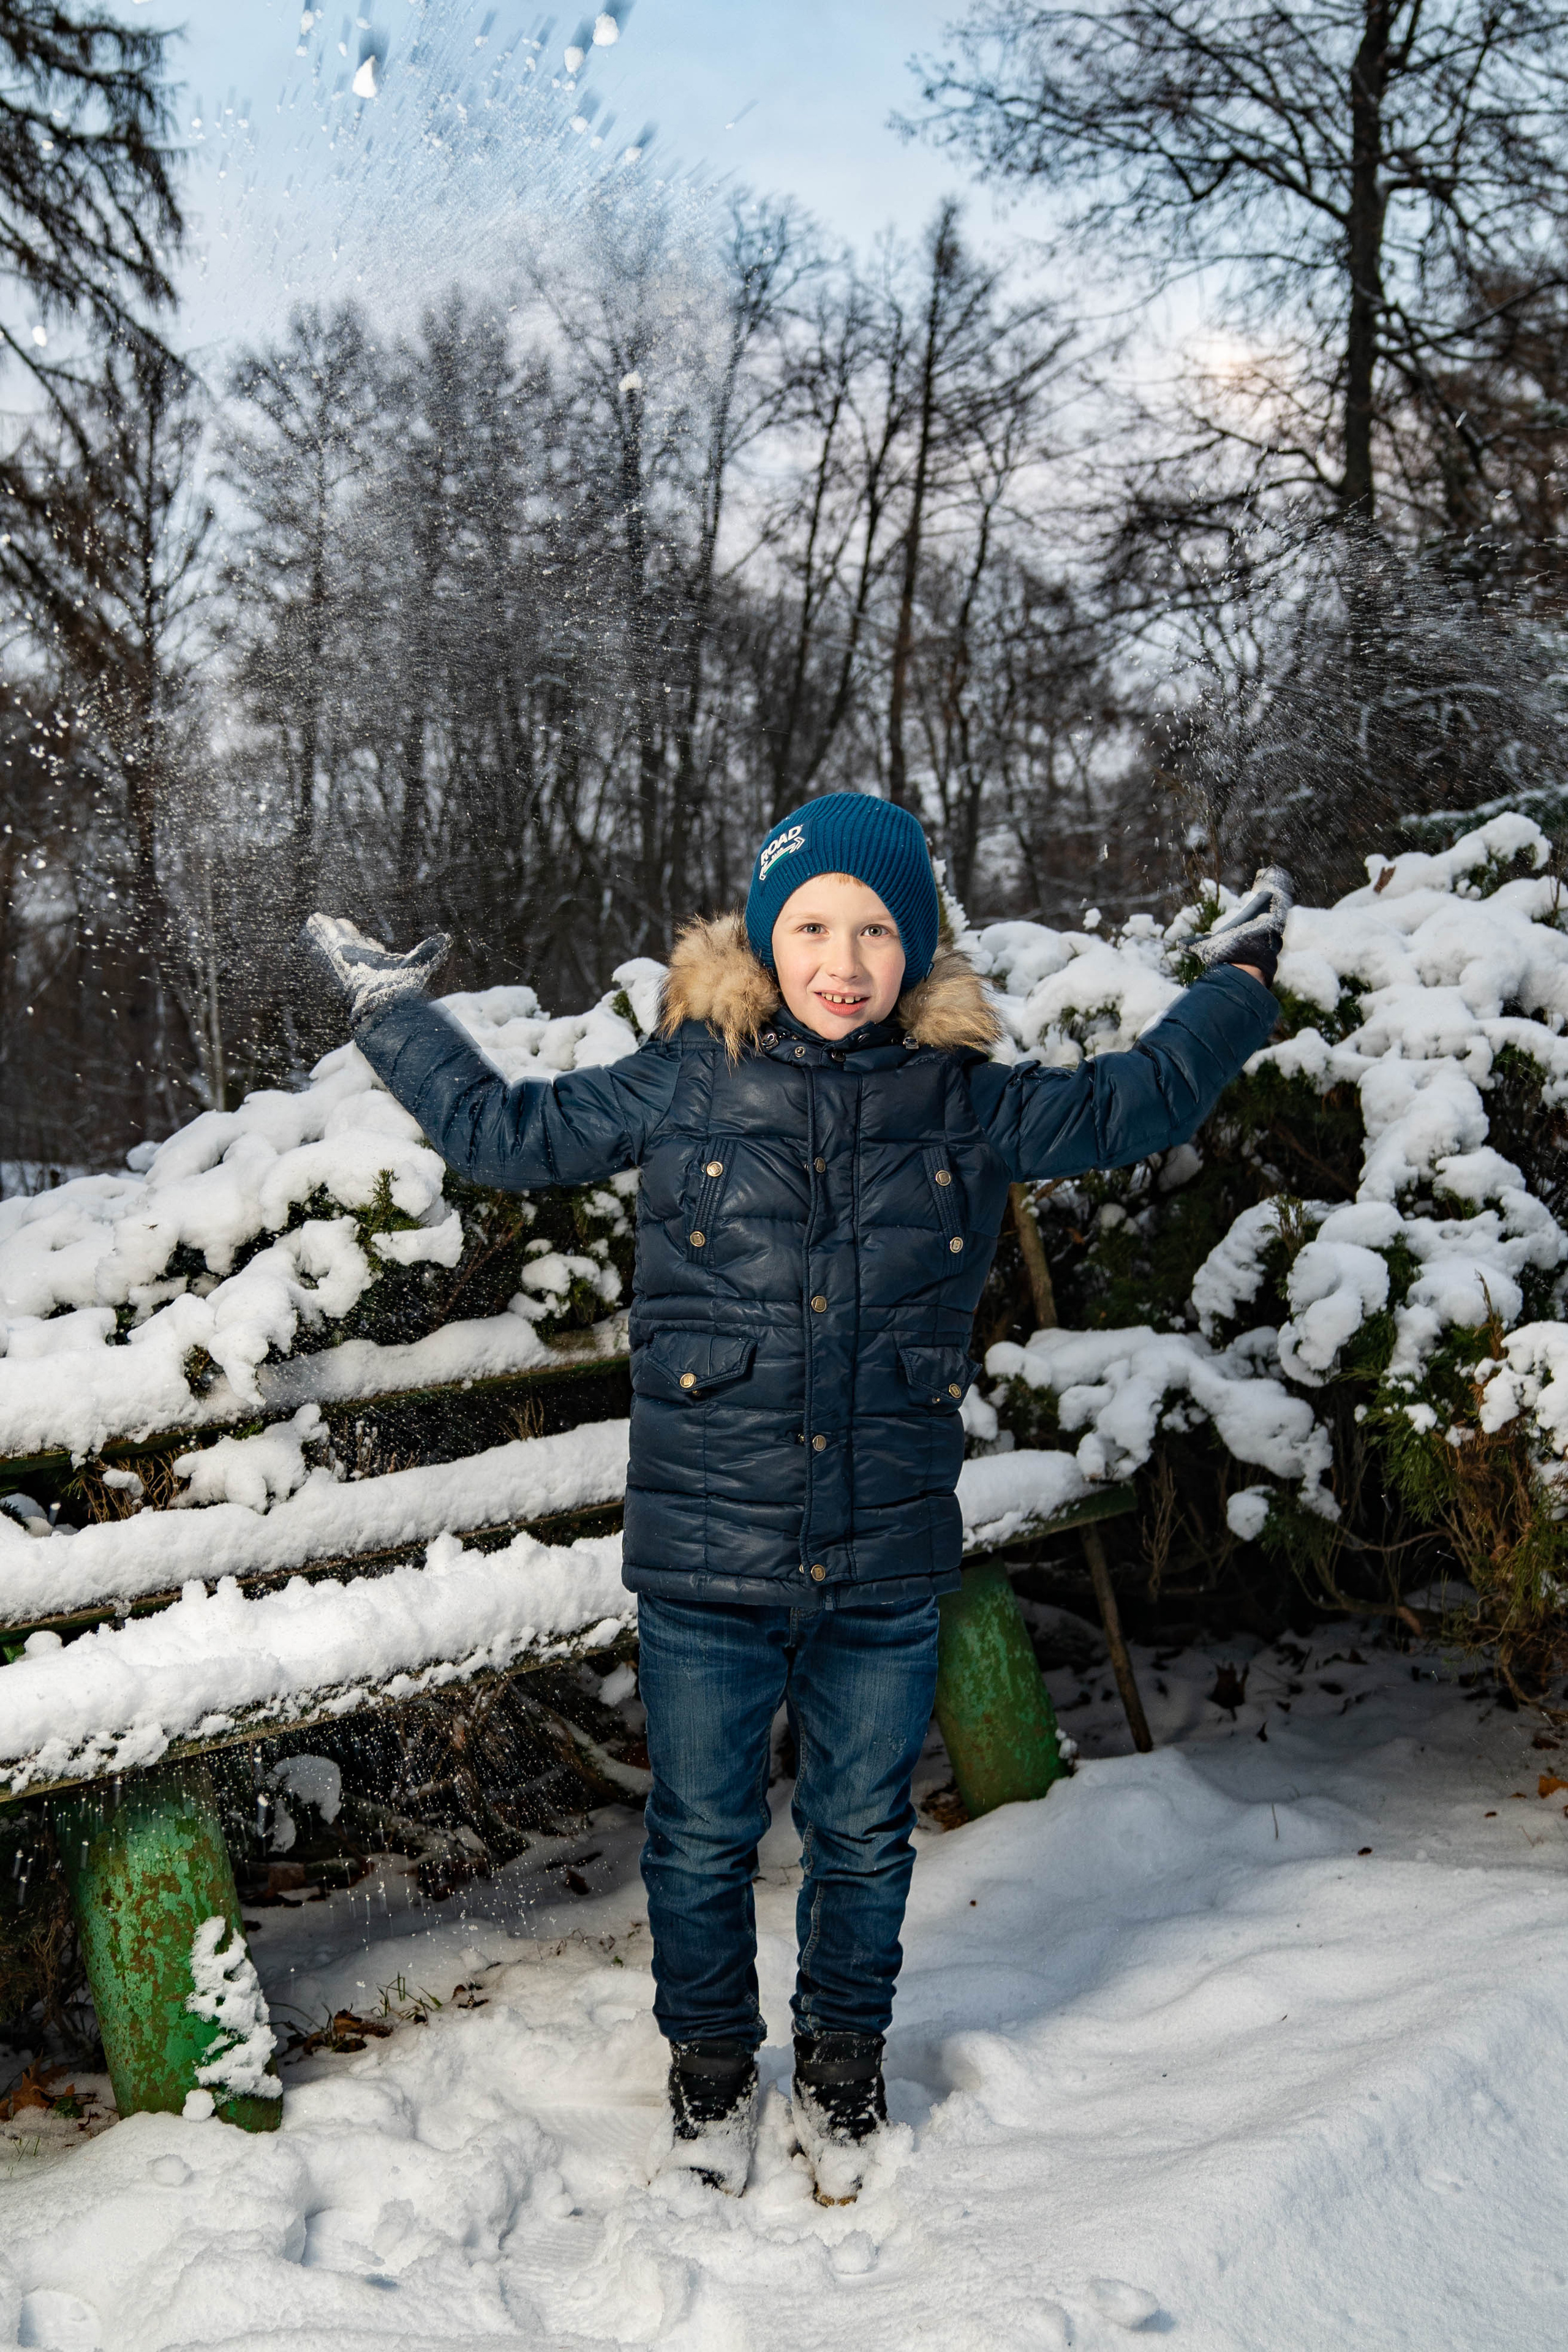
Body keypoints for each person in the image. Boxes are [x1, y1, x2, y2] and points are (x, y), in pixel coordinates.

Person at [305, 794, 1289, 2205]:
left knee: (862, 1833)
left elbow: (1136, 1098)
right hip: (705, 1561)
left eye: (877, 929)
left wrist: (1239, 981)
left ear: (917, 951)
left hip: (884, 1559)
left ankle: (840, 2064)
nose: (844, 958)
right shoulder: (682, 1080)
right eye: (814, 926)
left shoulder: (964, 1100)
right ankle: (709, 2073)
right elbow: (503, 1133)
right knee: (701, 1836)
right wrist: (394, 1010)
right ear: (766, 939)